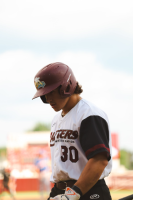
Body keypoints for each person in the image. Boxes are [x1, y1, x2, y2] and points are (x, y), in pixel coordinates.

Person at [32, 62, 112, 200]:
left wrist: (73, 194)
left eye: (51, 92)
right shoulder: (56, 119)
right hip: (62, 192)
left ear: (66, 86)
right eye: (44, 95)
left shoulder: (88, 113)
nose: (47, 99)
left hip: (88, 191)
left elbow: (99, 160)